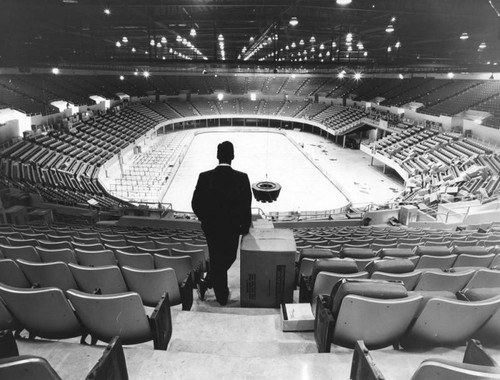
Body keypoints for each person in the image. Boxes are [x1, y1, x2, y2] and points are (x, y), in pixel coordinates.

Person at [191, 141, 252, 305]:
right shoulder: (242, 178)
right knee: (229, 257)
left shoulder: (204, 177)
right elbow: (247, 205)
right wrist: (245, 226)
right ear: (232, 156)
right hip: (232, 229)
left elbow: (195, 203)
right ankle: (221, 295)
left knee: (217, 259)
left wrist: (205, 219)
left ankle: (209, 281)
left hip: (211, 228)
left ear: (218, 156)